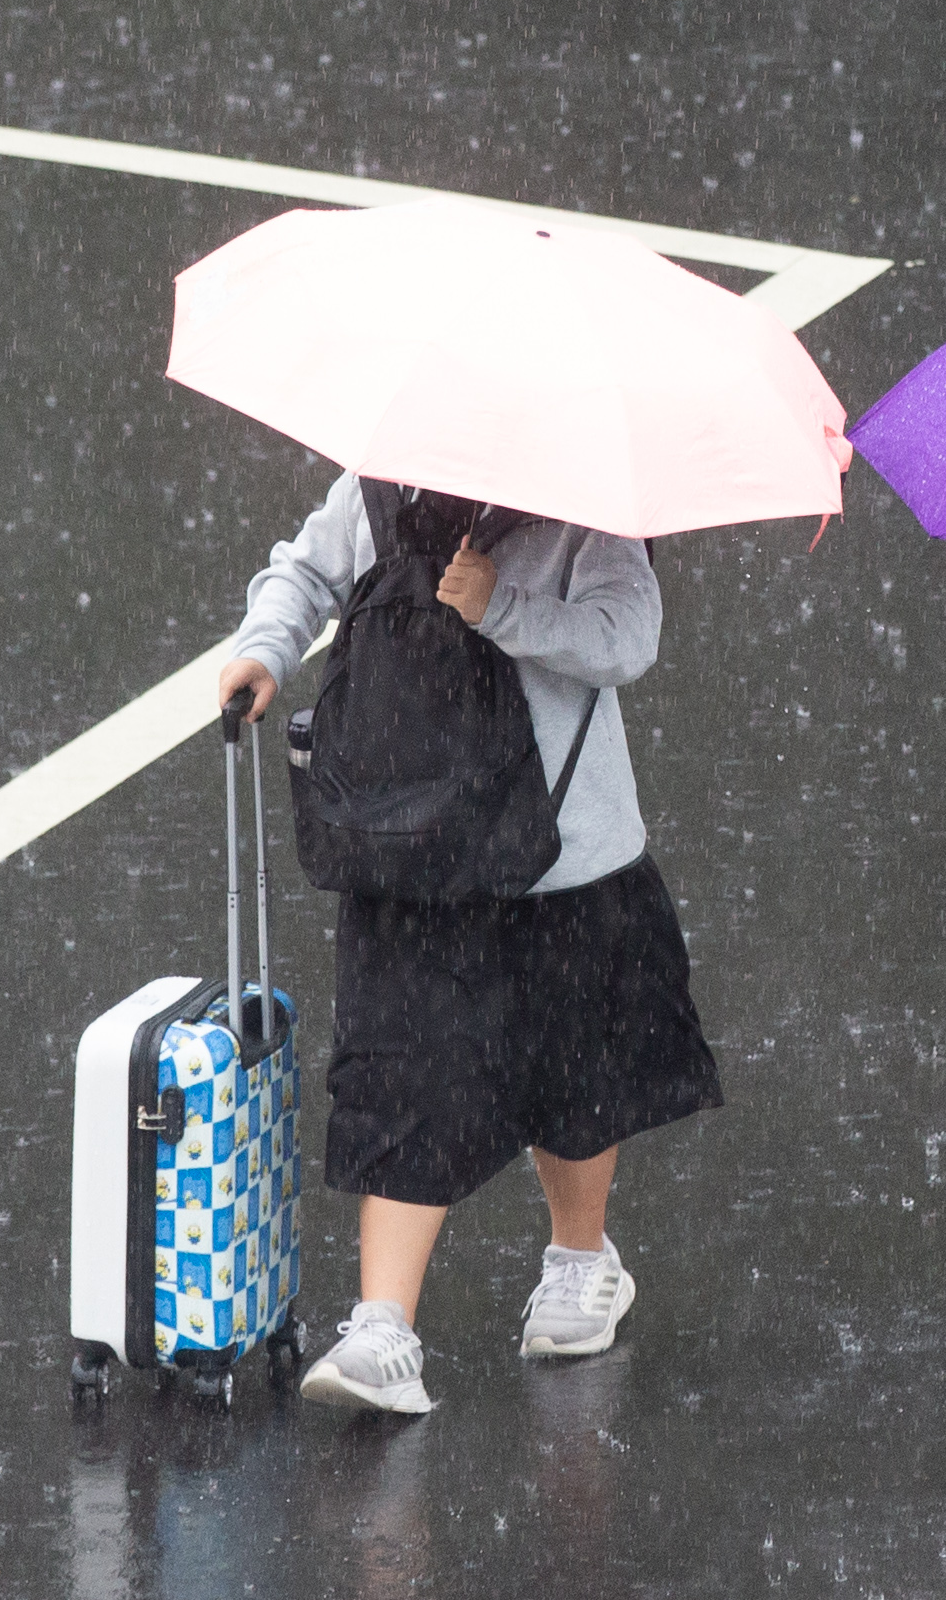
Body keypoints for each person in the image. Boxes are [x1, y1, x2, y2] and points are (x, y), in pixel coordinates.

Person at [214, 477, 708, 1418]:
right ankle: (382, 1327)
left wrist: (500, 607)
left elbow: (627, 637)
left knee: (578, 1079)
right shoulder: (381, 482)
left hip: (558, 853)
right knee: (401, 1073)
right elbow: (307, 568)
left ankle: (580, 1260)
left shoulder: (587, 506)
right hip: (409, 836)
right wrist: (265, 648)